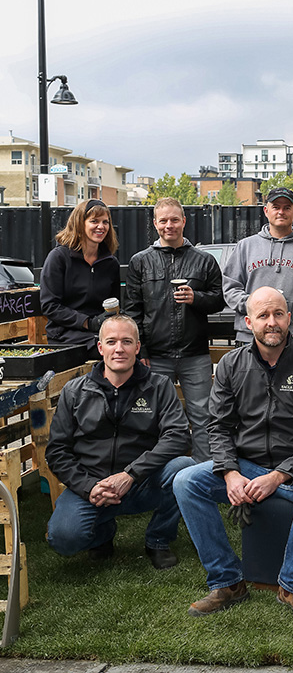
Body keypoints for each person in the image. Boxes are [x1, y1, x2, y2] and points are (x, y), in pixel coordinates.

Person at [173, 286, 293, 621]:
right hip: (246, 465)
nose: (272, 322)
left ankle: (292, 586)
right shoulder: (231, 366)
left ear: (290, 318)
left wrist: (279, 475)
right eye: (263, 315)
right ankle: (228, 582)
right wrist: (230, 472)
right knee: (185, 480)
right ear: (248, 322)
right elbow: (217, 427)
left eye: (278, 314)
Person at [45, 315, 194, 569]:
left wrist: (130, 475)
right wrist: (88, 486)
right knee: (63, 540)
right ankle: (102, 533)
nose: (119, 348)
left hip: (141, 482)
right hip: (92, 486)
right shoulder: (75, 391)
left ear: (137, 347)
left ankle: (158, 540)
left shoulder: (159, 386)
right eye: (111, 341)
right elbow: (57, 451)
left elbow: (178, 436)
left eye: (127, 341)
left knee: (183, 468)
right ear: (100, 347)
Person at [125, 197, 225, 462]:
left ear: (184, 221)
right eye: (163, 220)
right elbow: (133, 310)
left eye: (174, 219)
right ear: (155, 224)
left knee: (202, 417)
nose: (169, 225)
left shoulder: (204, 261)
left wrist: (197, 298)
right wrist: (141, 349)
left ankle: (203, 475)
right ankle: (162, 474)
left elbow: (219, 300)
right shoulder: (140, 262)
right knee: (156, 418)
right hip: (155, 356)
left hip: (195, 354)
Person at [222, 187, 293, 344]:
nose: (281, 212)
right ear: (266, 211)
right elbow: (230, 289)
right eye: (276, 207)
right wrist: (256, 307)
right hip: (249, 337)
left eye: (287, 208)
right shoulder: (245, 246)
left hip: (291, 336)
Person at [40, 199, 121, 354]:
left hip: (99, 332)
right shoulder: (59, 258)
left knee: (127, 346)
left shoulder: (110, 263)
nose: (101, 227)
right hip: (65, 334)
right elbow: (50, 306)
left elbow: (113, 304)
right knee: (111, 351)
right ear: (79, 223)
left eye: (105, 222)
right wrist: (87, 323)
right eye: (94, 221)